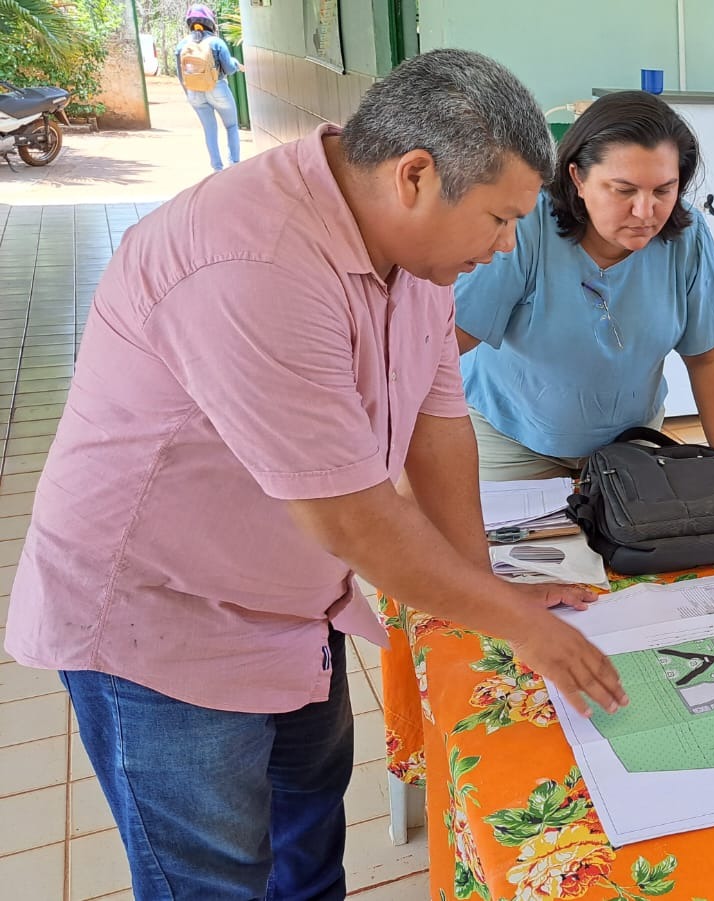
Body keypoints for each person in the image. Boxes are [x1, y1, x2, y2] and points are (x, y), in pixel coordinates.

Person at [4, 50, 626, 899]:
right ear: (415, 175)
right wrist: (518, 622)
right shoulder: (255, 262)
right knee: (217, 875)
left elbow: (440, 432)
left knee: (307, 833)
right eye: (498, 217)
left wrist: (481, 583)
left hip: (295, 608)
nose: (506, 243)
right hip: (163, 628)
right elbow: (355, 520)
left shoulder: (419, 253)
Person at [453, 90, 714, 480]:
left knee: (628, 537)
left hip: (630, 441)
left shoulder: (686, 238)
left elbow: (709, 356)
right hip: (510, 437)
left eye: (663, 191)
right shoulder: (527, 225)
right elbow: (448, 341)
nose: (644, 212)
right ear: (578, 177)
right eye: (623, 190)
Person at [175, 5, 244, 172]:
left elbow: (180, 75)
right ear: (210, 22)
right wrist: (235, 63)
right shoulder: (216, 42)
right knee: (231, 126)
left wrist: (189, 93)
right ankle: (234, 165)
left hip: (194, 92)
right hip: (217, 87)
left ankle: (216, 168)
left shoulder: (182, 45)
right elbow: (228, 69)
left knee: (209, 129)